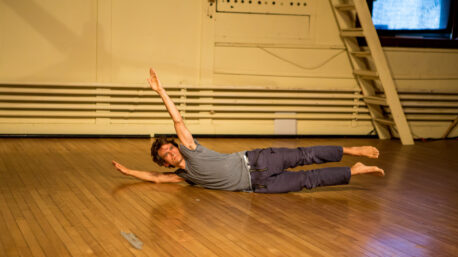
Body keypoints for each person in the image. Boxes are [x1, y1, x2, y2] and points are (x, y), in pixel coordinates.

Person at [112, 68, 385, 193]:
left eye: (171, 148)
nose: (171, 153)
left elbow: (178, 121)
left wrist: (161, 92)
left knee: (304, 155)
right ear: (165, 162)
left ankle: (350, 149)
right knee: (307, 181)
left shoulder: (190, 150)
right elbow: (156, 179)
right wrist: (128, 171)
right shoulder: (186, 177)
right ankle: (353, 170)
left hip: (257, 160)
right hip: (260, 185)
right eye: (167, 155)